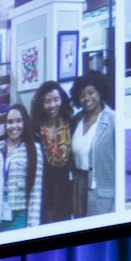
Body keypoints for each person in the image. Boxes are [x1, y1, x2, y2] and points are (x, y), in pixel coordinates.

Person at [69, 73, 115, 217]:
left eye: (91, 92)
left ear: (100, 92)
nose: (87, 98)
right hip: (78, 188)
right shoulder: (76, 120)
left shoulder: (114, 120)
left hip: (102, 191)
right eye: (82, 95)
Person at [33, 81, 77, 225]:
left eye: (56, 100)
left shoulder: (71, 123)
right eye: (47, 101)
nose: (52, 105)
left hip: (66, 187)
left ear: (62, 100)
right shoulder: (34, 129)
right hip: (42, 189)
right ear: (41, 103)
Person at [0, 103, 42, 230]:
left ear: (25, 123)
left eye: (18, 121)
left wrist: (32, 227)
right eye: (10, 122)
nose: (14, 126)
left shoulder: (34, 149)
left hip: (19, 215)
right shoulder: (0, 147)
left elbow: (36, 191)